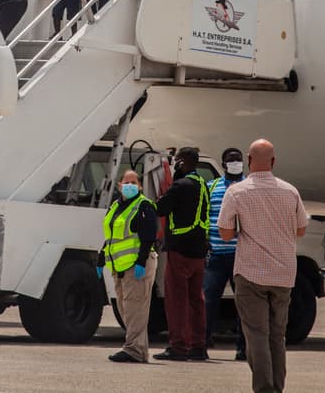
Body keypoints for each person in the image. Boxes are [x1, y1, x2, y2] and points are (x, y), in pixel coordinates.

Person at [217, 139, 307, 393]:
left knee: (256, 334)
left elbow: (225, 233)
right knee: (277, 336)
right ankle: (277, 388)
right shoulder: (290, 191)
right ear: (274, 162)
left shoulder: (236, 191)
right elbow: (301, 229)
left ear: (248, 160)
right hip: (283, 274)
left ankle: (264, 389)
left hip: (251, 271)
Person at [154, 146, 211, 362]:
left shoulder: (180, 185)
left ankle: (178, 347)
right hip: (199, 253)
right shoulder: (203, 185)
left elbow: (160, 208)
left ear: (183, 162)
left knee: (177, 301)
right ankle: (199, 346)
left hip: (180, 252)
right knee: (196, 301)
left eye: (177, 161)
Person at [97, 168, 158, 363]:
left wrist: (141, 261)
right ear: (119, 185)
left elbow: (149, 237)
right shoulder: (115, 206)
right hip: (119, 266)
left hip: (137, 265)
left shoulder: (144, 206)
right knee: (126, 310)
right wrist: (101, 257)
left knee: (135, 310)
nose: (130, 186)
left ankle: (134, 350)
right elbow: (111, 237)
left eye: (134, 183)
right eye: (127, 182)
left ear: (140, 186)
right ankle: (138, 350)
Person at [204, 147, 248, 360]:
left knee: (243, 304)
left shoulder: (250, 187)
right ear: (223, 164)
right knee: (208, 301)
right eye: (231, 160)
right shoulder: (211, 187)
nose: (235, 163)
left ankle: (243, 349)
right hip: (216, 255)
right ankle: (201, 344)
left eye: (238, 159)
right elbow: (203, 216)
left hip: (241, 255)